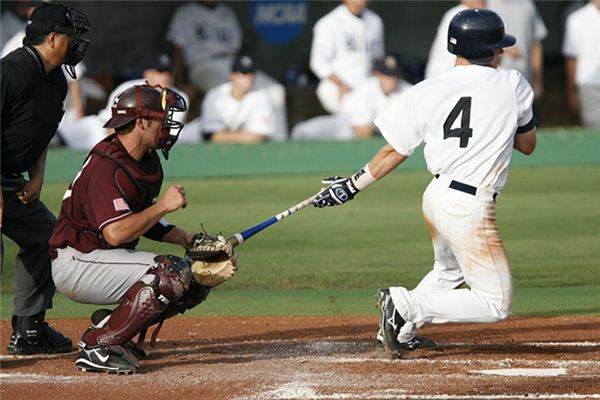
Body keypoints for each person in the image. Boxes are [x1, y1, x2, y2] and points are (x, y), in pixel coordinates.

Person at [313, 9, 536, 355]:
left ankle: (400, 330)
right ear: (487, 50)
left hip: (436, 196)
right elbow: (528, 145)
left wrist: (351, 186)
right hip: (469, 206)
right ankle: (404, 306)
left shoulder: (426, 89)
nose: (502, 52)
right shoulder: (513, 83)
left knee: (448, 272)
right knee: (496, 302)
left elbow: (393, 151)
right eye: (497, 47)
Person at [49, 84, 208, 374]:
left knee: (195, 279)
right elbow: (117, 232)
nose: (168, 125)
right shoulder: (106, 166)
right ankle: (100, 344)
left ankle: (112, 328)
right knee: (171, 272)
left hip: (103, 259)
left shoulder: (144, 160)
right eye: (162, 118)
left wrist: (186, 238)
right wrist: (164, 206)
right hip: (77, 262)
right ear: (142, 122)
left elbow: (140, 219)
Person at [0, 2, 90, 355]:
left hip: (10, 178)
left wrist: (36, 178)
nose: (78, 44)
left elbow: (40, 134)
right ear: (53, 39)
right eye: (72, 37)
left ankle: (29, 329)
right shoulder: (13, 71)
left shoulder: (56, 82)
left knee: (45, 237)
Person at [166, 0, 288, 139]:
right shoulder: (185, 12)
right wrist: (180, 83)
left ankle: (278, 141)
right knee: (225, 89)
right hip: (202, 64)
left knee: (276, 90)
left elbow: (236, 48)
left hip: (230, 62)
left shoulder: (227, 12)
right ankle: (225, 135)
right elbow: (177, 50)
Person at [58, 53, 192, 149]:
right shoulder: (128, 87)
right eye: (160, 71)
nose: (166, 76)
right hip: (101, 130)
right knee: (59, 134)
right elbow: (109, 123)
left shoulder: (179, 98)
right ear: (147, 73)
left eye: (169, 72)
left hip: (136, 142)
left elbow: (166, 135)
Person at [291, 54, 412, 140]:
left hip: (386, 138)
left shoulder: (408, 91)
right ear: (377, 74)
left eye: (395, 76)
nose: (392, 80)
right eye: (388, 76)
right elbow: (361, 130)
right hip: (346, 126)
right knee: (302, 132)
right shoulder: (365, 88)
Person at [310, 0, 384, 114]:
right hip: (338, 86)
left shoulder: (375, 21)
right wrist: (340, 84)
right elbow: (317, 62)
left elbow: (378, 58)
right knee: (352, 123)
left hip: (368, 85)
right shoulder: (329, 22)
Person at [200, 55, 277, 144]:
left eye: (252, 73)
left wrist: (225, 135)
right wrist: (245, 136)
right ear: (232, 76)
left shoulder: (262, 96)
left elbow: (259, 136)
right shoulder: (215, 95)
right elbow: (211, 135)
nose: (249, 77)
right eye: (244, 73)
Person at [487, 0, 547, 98]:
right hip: (497, 86)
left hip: (525, 83)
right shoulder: (484, 6)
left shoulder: (527, 5)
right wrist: (504, 52)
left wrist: (537, 81)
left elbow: (536, 44)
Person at [425, 0, 486, 80]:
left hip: (465, 75)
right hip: (443, 76)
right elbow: (455, 48)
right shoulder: (457, 14)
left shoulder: (488, 14)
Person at [562, 0, 600, 128]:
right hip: (589, 88)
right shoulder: (576, 19)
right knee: (594, 135)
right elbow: (571, 58)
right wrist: (572, 92)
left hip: (588, 87)